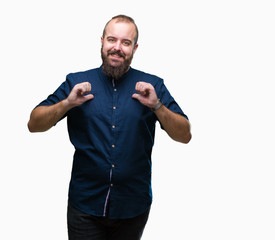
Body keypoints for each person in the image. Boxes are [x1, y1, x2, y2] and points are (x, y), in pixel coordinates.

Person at [28, 14, 191, 240]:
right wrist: (67, 103)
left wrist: (157, 106)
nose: (117, 47)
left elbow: (184, 135)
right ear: (102, 41)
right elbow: (34, 124)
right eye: (112, 40)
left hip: (133, 206)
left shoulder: (153, 85)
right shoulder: (76, 82)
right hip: (85, 206)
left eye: (126, 42)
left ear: (135, 48)